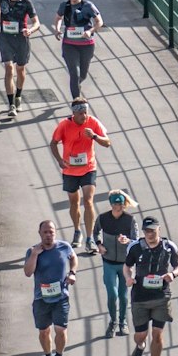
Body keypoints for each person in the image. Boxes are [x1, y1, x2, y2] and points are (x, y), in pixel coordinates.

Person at [50, 100, 112, 254]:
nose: (84, 116)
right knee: (74, 202)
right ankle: (77, 231)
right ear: (74, 113)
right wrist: (59, 160)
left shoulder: (92, 122)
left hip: (88, 168)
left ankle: (90, 238)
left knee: (88, 200)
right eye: (80, 113)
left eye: (85, 112)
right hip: (70, 170)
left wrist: (95, 136)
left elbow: (107, 143)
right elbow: (53, 143)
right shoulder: (64, 125)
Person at [127, 217, 178, 356]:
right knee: (140, 335)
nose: (149, 234)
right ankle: (140, 346)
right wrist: (128, 278)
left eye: (152, 230)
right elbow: (127, 266)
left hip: (161, 296)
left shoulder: (168, 247)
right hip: (140, 297)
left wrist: (172, 274)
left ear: (159, 229)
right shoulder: (136, 247)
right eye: (146, 231)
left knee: (157, 334)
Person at [24, 219, 78, 356]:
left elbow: (73, 257)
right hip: (41, 299)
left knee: (61, 330)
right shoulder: (32, 251)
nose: (49, 235)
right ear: (40, 233)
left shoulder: (64, 247)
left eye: (51, 232)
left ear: (55, 233)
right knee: (44, 331)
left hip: (61, 297)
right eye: (45, 232)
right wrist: (34, 254)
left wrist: (72, 272)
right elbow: (28, 272)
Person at [94, 190, 138, 336]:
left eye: (119, 204)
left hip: (125, 264)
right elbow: (95, 233)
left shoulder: (130, 220)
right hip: (108, 263)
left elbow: (136, 241)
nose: (117, 207)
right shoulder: (103, 218)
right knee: (112, 294)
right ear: (111, 204)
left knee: (123, 295)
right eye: (114, 204)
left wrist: (127, 241)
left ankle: (123, 321)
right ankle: (113, 322)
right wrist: (99, 245)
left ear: (124, 204)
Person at [0, 0, 40, 114]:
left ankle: (18, 96)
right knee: (9, 68)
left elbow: (37, 22)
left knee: (20, 69)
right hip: (5, 37)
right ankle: (11, 104)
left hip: (21, 39)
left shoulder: (26, 3)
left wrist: (30, 30)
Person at [55, 0, 104, 101]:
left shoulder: (88, 6)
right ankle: (76, 102)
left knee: (82, 75)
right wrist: (57, 29)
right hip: (69, 45)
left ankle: (76, 85)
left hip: (86, 45)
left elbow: (99, 22)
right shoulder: (64, 5)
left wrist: (90, 31)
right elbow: (58, 18)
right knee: (74, 74)